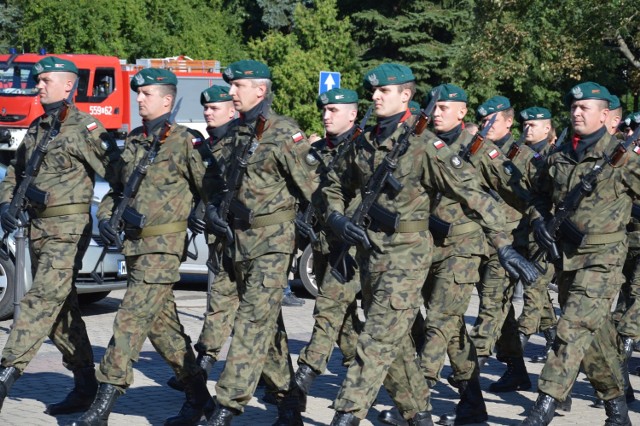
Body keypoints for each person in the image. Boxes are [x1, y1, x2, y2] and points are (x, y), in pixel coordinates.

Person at [324, 64, 537, 426]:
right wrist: (336, 218)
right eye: (373, 91)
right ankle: (419, 414)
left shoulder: (425, 147)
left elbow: (473, 194)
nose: (374, 96)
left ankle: (346, 416)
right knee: (400, 344)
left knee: (375, 342)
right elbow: (331, 183)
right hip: (370, 256)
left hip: (410, 257)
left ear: (405, 95)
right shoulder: (364, 141)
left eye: (384, 91)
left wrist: (505, 244)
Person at [72, 68, 210, 426]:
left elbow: (210, 190)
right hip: (133, 249)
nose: (139, 99)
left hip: (163, 248)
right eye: (139, 93)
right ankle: (199, 397)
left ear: (167, 99)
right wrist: (106, 218)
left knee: (129, 321)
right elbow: (116, 191)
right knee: (163, 329)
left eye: (147, 94)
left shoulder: (183, 141)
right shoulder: (133, 140)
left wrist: (198, 214)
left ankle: (102, 406)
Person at [0, 57, 120, 415]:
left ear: (68, 85)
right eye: (38, 79)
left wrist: (112, 214)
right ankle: (85, 384)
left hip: (67, 231)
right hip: (37, 230)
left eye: (46, 79)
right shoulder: (39, 128)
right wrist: (7, 203)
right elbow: (14, 172)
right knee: (60, 310)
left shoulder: (86, 128)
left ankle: (6, 375)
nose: (39, 85)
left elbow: (120, 176)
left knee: (39, 301)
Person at [203, 60, 319, 426]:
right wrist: (211, 209)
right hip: (237, 242)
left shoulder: (285, 132)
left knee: (251, 323)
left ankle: (226, 406)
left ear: (260, 90)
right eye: (231, 86)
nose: (232, 92)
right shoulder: (236, 132)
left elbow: (315, 188)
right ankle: (288, 402)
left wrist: (310, 229)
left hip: (272, 242)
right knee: (267, 329)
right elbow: (218, 183)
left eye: (238, 85)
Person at [521, 82, 636, 425]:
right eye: (574, 107)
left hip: (604, 258)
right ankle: (617, 410)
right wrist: (540, 222)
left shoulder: (622, 158)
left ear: (604, 115)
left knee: (570, 329)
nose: (577, 112)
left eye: (585, 107)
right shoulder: (558, 155)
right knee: (594, 337)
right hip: (567, 257)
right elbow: (537, 196)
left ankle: (543, 408)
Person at [378, 83, 493, 426]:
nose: (437, 113)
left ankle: (418, 405)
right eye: (435, 107)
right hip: (428, 247)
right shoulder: (421, 144)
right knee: (452, 332)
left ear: (462, 112)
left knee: (439, 327)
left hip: (463, 248)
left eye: (445, 108)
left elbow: (516, 192)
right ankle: (473, 407)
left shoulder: (481, 150)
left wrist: (510, 237)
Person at [293, 88, 364, 397]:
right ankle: (364, 374)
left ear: (353, 114)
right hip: (320, 242)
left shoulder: (364, 150)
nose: (325, 115)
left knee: (327, 308)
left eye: (334, 110)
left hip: (350, 246)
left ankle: (305, 374)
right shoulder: (316, 150)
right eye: (324, 110)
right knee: (344, 320)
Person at [471, 96, 541, 394]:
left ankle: (469, 375)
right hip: (481, 241)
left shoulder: (523, 155)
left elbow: (535, 198)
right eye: (482, 120)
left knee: (491, 305)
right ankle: (516, 371)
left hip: (511, 243)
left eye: (492, 121)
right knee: (502, 311)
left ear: (508, 122)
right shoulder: (475, 151)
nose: (485, 126)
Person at [516, 106, 559, 364]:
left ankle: (520, 342)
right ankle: (554, 338)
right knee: (539, 292)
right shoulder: (523, 155)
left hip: (545, 236)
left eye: (534, 124)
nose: (527, 128)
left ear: (547, 128)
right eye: (525, 124)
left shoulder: (552, 157)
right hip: (524, 233)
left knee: (534, 289)